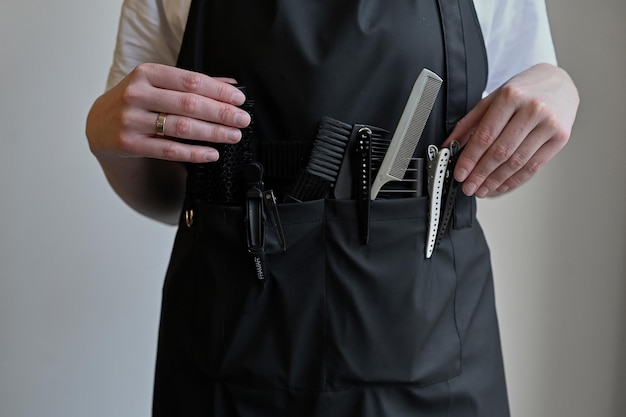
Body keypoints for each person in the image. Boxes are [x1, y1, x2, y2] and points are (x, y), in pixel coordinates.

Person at [86, 0, 579, 416]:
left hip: (433, 357)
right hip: (227, 364)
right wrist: (106, 138)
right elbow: (170, 196)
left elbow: (492, 161)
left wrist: (558, 88)